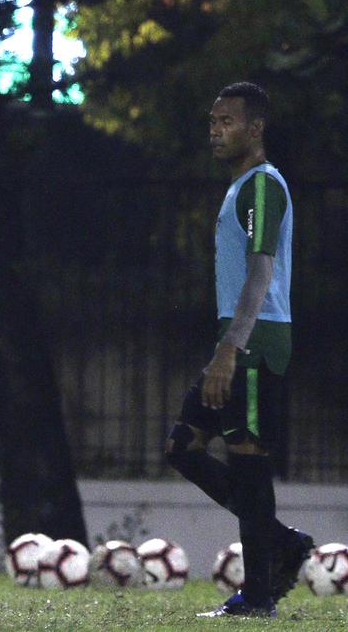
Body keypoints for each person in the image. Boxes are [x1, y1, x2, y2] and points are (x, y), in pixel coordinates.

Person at [163, 82, 312, 618]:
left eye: (228, 122)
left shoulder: (263, 187)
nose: (216, 131)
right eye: (212, 121)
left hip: (254, 340)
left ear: (256, 128)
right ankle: (283, 542)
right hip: (237, 338)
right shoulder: (241, 187)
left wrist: (230, 347)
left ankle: (258, 597)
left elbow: (260, 271)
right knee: (184, 446)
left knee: (249, 463)